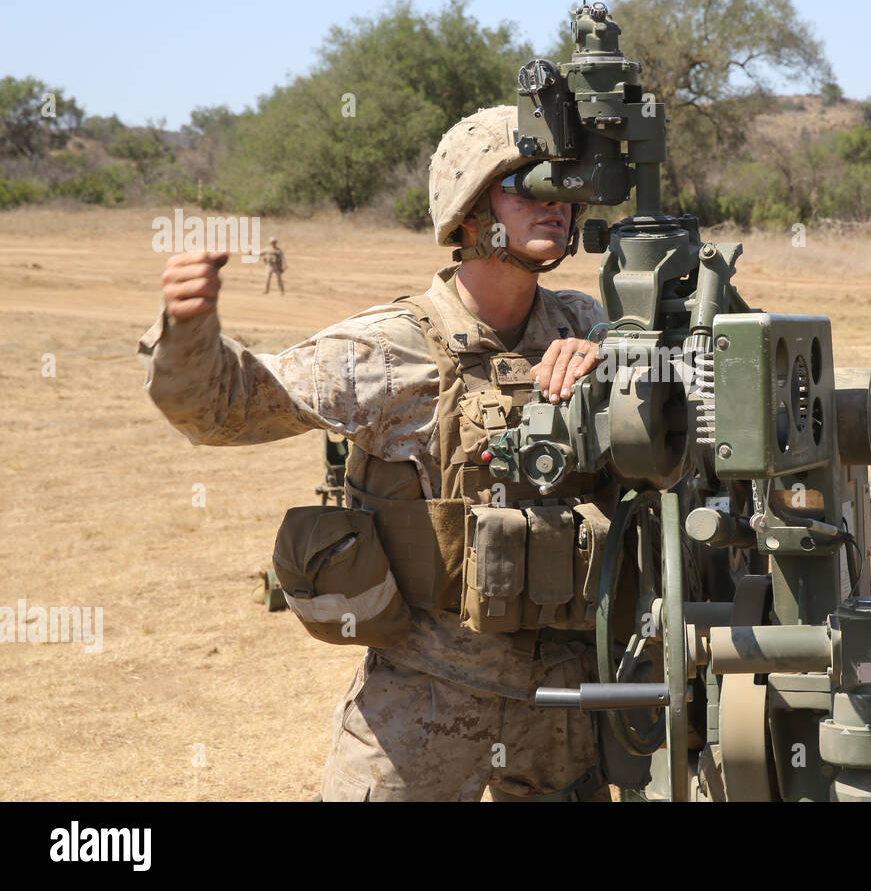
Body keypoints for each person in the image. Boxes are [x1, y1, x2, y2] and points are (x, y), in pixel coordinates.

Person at [137, 105, 632, 801]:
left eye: (561, 188)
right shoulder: (392, 347)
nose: (554, 203)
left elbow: (696, 405)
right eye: (525, 186)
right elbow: (227, 410)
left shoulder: (589, 324)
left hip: (563, 705)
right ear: (468, 212)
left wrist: (614, 363)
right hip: (427, 703)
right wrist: (188, 336)